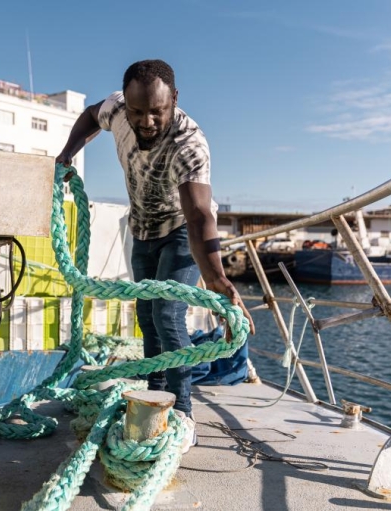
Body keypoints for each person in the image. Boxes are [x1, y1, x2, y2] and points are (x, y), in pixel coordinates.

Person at [56, 59, 255, 452]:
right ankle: (154, 397)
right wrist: (66, 154)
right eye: (138, 111)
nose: (146, 121)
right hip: (142, 229)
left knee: (167, 312)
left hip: (182, 232)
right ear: (126, 102)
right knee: (146, 316)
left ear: (174, 100)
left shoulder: (189, 144)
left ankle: (182, 413)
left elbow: (198, 215)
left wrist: (216, 280)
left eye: (157, 111)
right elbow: (89, 117)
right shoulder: (116, 108)